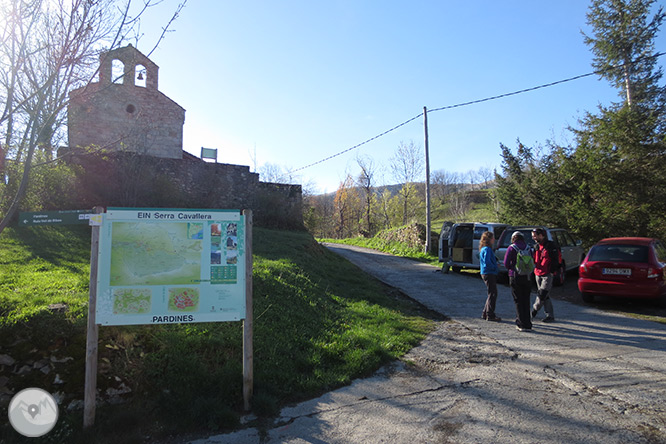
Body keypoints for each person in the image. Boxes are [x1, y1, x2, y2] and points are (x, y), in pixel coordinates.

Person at [503, 231, 533, 331]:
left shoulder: (512, 248)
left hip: (515, 276)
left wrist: (513, 267)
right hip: (527, 277)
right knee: (526, 300)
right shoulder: (528, 248)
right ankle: (528, 323)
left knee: (518, 300)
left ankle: (521, 323)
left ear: (513, 238)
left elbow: (506, 263)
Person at [531, 228, 559, 322]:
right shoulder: (536, 247)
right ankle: (550, 316)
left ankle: (534, 310)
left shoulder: (551, 246)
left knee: (542, 294)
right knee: (545, 295)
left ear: (541, 235)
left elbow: (557, 259)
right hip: (537, 273)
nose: (533, 238)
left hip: (547, 274)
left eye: (535, 235)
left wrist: (552, 271)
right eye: (533, 236)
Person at [479, 231, 501, 322]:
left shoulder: (483, 249)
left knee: (491, 293)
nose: (494, 240)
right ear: (489, 239)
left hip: (485, 272)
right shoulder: (487, 249)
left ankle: (485, 312)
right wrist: (495, 266)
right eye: (492, 238)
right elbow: (487, 262)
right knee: (493, 293)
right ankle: (490, 314)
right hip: (489, 272)